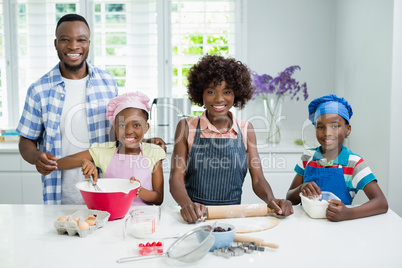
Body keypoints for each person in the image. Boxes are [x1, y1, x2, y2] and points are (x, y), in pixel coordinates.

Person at [16, 14, 164, 204]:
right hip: (60, 194)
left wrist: (140, 142)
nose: (73, 46)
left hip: (105, 191)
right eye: (65, 40)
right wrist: (36, 157)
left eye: (81, 40)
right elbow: (26, 140)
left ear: (89, 43)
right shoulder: (39, 90)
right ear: (55, 43)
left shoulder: (107, 82)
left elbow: (117, 129)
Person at [169, 55, 294, 223]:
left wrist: (270, 199)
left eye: (227, 92)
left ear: (237, 93)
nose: (219, 99)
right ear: (201, 93)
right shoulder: (186, 127)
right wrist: (187, 205)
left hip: (233, 218)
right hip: (194, 216)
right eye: (211, 91)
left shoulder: (245, 129)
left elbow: (257, 179)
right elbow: (176, 178)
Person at [286, 94, 388, 221]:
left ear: (347, 129)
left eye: (335, 126)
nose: (327, 132)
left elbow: (381, 203)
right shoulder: (308, 157)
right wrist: (301, 188)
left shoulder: (354, 163)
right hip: (306, 226)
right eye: (320, 127)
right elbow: (289, 198)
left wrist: (349, 213)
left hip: (339, 228)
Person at [57, 92, 166, 205]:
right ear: (115, 127)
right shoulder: (104, 151)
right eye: (122, 125)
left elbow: (158, 199)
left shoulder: (154, 152)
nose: (128, 131)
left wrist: (139, 190)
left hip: (144, 219)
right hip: (111, 217)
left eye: (136, 125)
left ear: (146, 127)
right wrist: (83, 161)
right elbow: (60, 163)